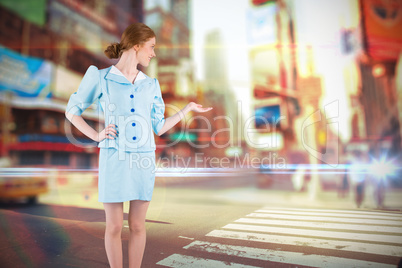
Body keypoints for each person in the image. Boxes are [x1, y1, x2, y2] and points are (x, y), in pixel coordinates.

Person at [65, 23, 212, 268]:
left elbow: (159, 127)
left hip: (144, 160)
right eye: (151, 47)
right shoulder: (100, 77)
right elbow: (72, 111)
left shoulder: (151, 85)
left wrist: (186, 110)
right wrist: (97, 135)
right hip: (114, 158)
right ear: (136, 45)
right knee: (113, 226)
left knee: (137, 225)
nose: (153, 53)